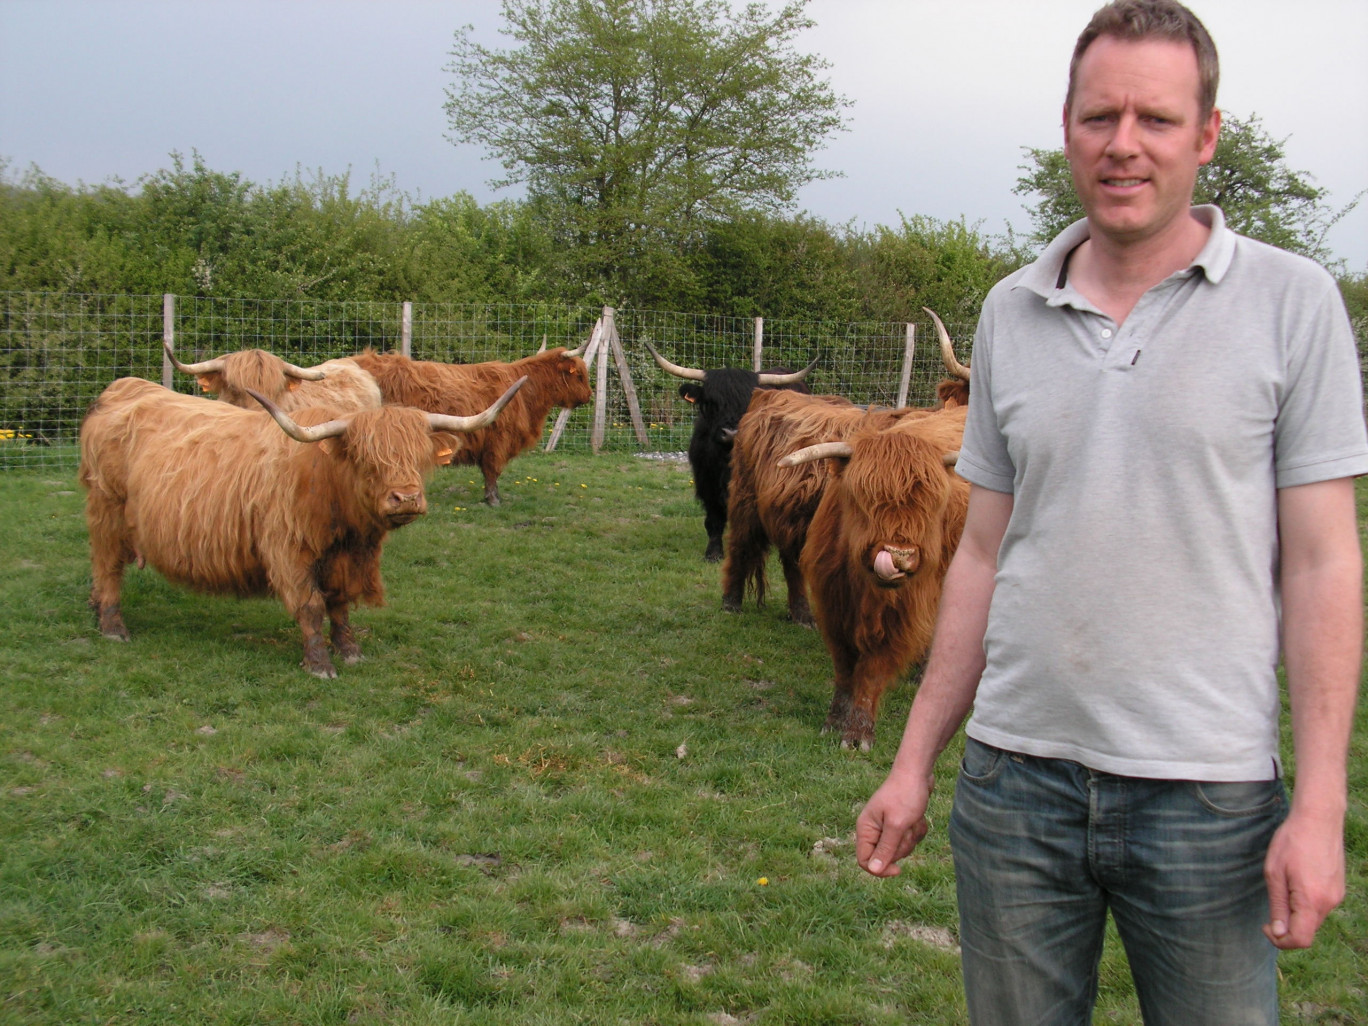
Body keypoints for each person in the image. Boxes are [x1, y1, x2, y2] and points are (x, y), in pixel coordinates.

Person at [854, 1, 1368, 1022]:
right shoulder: (1010, 309)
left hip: (1207, 798)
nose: (1122, 144)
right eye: (1099, 117)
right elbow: (984, 556)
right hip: (1014, 790)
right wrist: (915, 764)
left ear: (1206, 134)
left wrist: (1319, 806)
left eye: (1156, 119)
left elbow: (1323, 563)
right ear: (1067, 125)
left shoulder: (1293, 302)